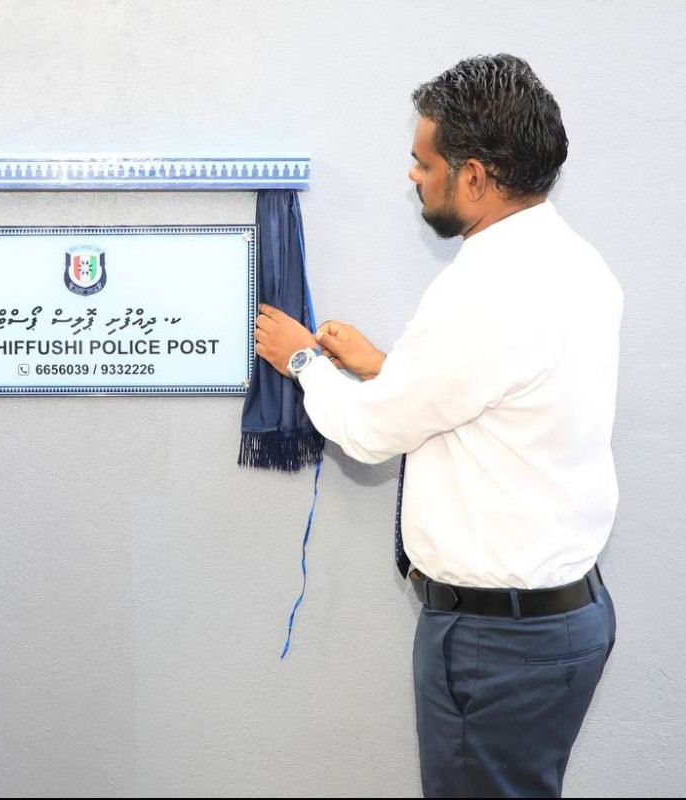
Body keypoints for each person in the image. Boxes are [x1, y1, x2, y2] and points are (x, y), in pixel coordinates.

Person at [254, 54, 620, 797]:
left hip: (497, 644)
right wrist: (388, 368)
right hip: (561, 620)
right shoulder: (577, 264)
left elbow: (368, 434)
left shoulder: (483, 293)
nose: (413, 176)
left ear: (475, 176)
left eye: (424, 163)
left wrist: (301, 361)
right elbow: (505, 403)